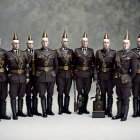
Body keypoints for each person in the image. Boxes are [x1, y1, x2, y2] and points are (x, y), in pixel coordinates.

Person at [112, 31, 137, 121]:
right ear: (122, 44)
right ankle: (119, 113)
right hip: (118, 79)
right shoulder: (118, 53)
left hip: (126, 80)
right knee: (119, 97)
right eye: (124, 43)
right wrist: (115, 79)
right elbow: (115, 67)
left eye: (127, 43)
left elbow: (134, 71)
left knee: (125, 98)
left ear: (129, 44)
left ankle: (124, 115)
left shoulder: (132, 55)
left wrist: (129, 79)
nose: (125, 45)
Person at [34, 30, 58, 117]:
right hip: (40, 76)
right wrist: (36, 75)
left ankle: (49, 110)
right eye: (43, 41)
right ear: (41, 42)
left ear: (48, 42)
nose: (44, 43)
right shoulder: (36, 52)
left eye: (46, 41)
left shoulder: (53, 52)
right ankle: (44, 111)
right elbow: (34, 65)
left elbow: (56, 65)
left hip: (51, 76)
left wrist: (54, 74)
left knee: (50, 94)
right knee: (42, 94)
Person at [5, 32, 29, 120]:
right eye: (15, 43)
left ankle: (20, 111)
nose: (16, 45)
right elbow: (4, 67)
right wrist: (8, 76)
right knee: (13, 95)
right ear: (12, 44)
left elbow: (27, 66)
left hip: (22, 77)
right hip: (13, 77)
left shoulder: (23, 54)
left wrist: (27, 77)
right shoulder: (8, 54)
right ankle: (14, 113)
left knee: (21, 95)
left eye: (18, 43)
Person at [94, 31, 116, 117]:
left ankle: (109, 110)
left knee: (110, 94)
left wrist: (115, 77)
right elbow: (95, 66)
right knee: (102, 93)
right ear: (102, 43)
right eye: (104, 42)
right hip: (101, 76)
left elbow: (116, 66)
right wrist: (95, 76)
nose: (106, 44)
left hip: (110, 76)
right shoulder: (98, 52)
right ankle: (102, 109)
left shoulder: (113, 53)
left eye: (107, 42)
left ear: (109, 43)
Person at [74, 32, 94, 115]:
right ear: (81, 42)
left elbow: (94, 64)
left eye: (86, 41)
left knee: (86, 92)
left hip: (88, 74)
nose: (85, 43)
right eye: (83, 41)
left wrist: (94, 74)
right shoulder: (76, 51)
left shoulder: (91, 51)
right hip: (79, 74)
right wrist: (73, 73)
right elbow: (73, 63)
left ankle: (84, 108)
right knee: (79, 92)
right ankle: (80, 109)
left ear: (87, 42)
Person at [56, 29, 74, 115]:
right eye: (64, 41)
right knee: (60, 91)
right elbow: (55, 64)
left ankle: (66, 108)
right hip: (60, 74)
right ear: (61, 42)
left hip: (69, 74)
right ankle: (60, 108)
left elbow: (73, 64)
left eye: (67, 41)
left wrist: (73, 74)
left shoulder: (71, 51)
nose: (65, 43)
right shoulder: (57, 51)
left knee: (67, 92)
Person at [24, 34, 41, 117]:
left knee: (35, 92)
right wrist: (27, 75)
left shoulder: (36, 53)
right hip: (29, 75)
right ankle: (29, 111)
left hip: (36, 76)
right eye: (29, 43)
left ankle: (35, 110)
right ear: (26, 44)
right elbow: (24, 66)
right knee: (28, 93)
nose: (31, 45)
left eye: (32, 44)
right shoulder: (24, 53)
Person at [0, 38, 11, 120]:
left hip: (3, 76)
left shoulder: (5, 52)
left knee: (3, 96)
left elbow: (10, 64)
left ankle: (3, 114)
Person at [131, 33, 140, 117]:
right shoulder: (132, 51)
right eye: (139, 42)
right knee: (135, 94)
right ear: (136, 42)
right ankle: (135, 112)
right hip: (136, 76)